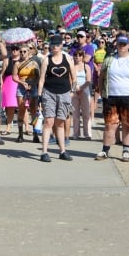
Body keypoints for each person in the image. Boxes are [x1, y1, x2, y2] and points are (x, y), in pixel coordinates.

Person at [95, 35, 129, 162]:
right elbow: (101, 77)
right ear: (116, 44)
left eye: (124, 44)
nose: (121, 46)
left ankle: (126, 150)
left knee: (128, 124)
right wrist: (101, 92)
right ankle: (105, 150)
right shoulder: (110, 59)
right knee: (109, 125)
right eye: (119, 44)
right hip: (111, 96)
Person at [37, 34, 75, 162]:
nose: (54, 47)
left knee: (60, 122)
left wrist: (72, 92)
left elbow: (74, 78)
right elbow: (41, 80)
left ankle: (62, 151)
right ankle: (44, 152)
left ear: (61, 45)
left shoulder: (68, 59)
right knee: (48, 122)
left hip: (64, 93)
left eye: (57, 45)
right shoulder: (46, 60)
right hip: (49, 93)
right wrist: (39, 96)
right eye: (52, 44)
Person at [70, 49, 93, 140]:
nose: (77, 57)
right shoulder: (72, 67)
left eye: (79, 55)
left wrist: (81, 88)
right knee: (75, 114)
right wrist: (75, 88)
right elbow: (71, 80)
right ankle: (76, 134)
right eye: (75, 55)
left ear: (82, 57)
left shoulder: (86, 66)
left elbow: (88, 80)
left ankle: (87, 134)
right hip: (74, 90)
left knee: (86, 113)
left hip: (84, 90)